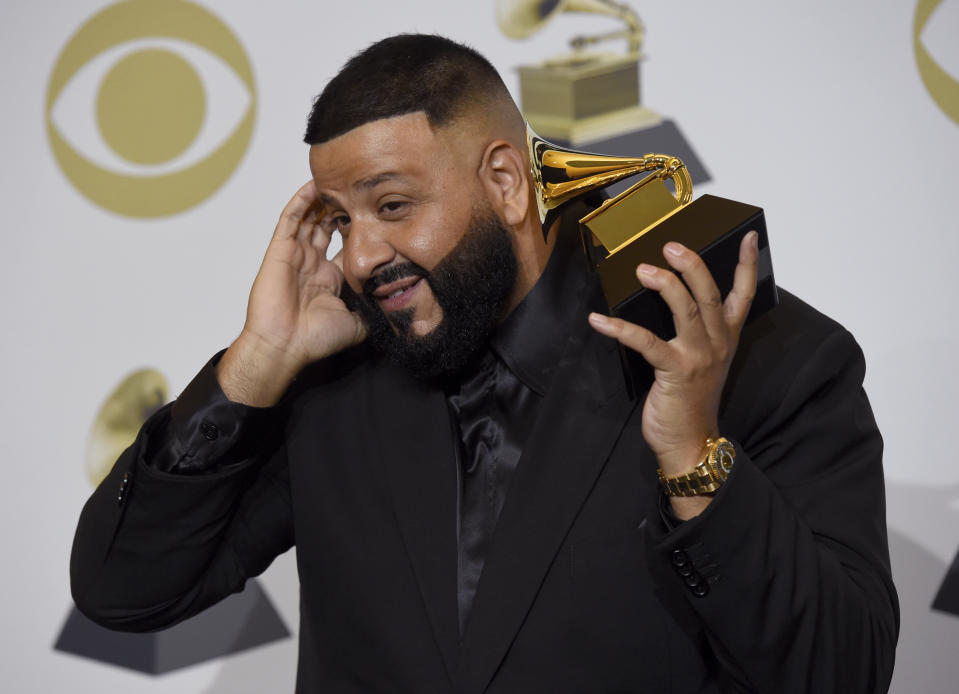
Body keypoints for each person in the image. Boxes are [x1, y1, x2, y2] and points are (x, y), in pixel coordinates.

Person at [70, 34, 898, 693]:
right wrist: (255, 364)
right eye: (338, 220)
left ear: (504, 180)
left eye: (392, 207)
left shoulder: (760, 355)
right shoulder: (333, 376)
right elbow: (125, 590)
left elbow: (840, 672)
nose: (359, 257)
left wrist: (691, 459)